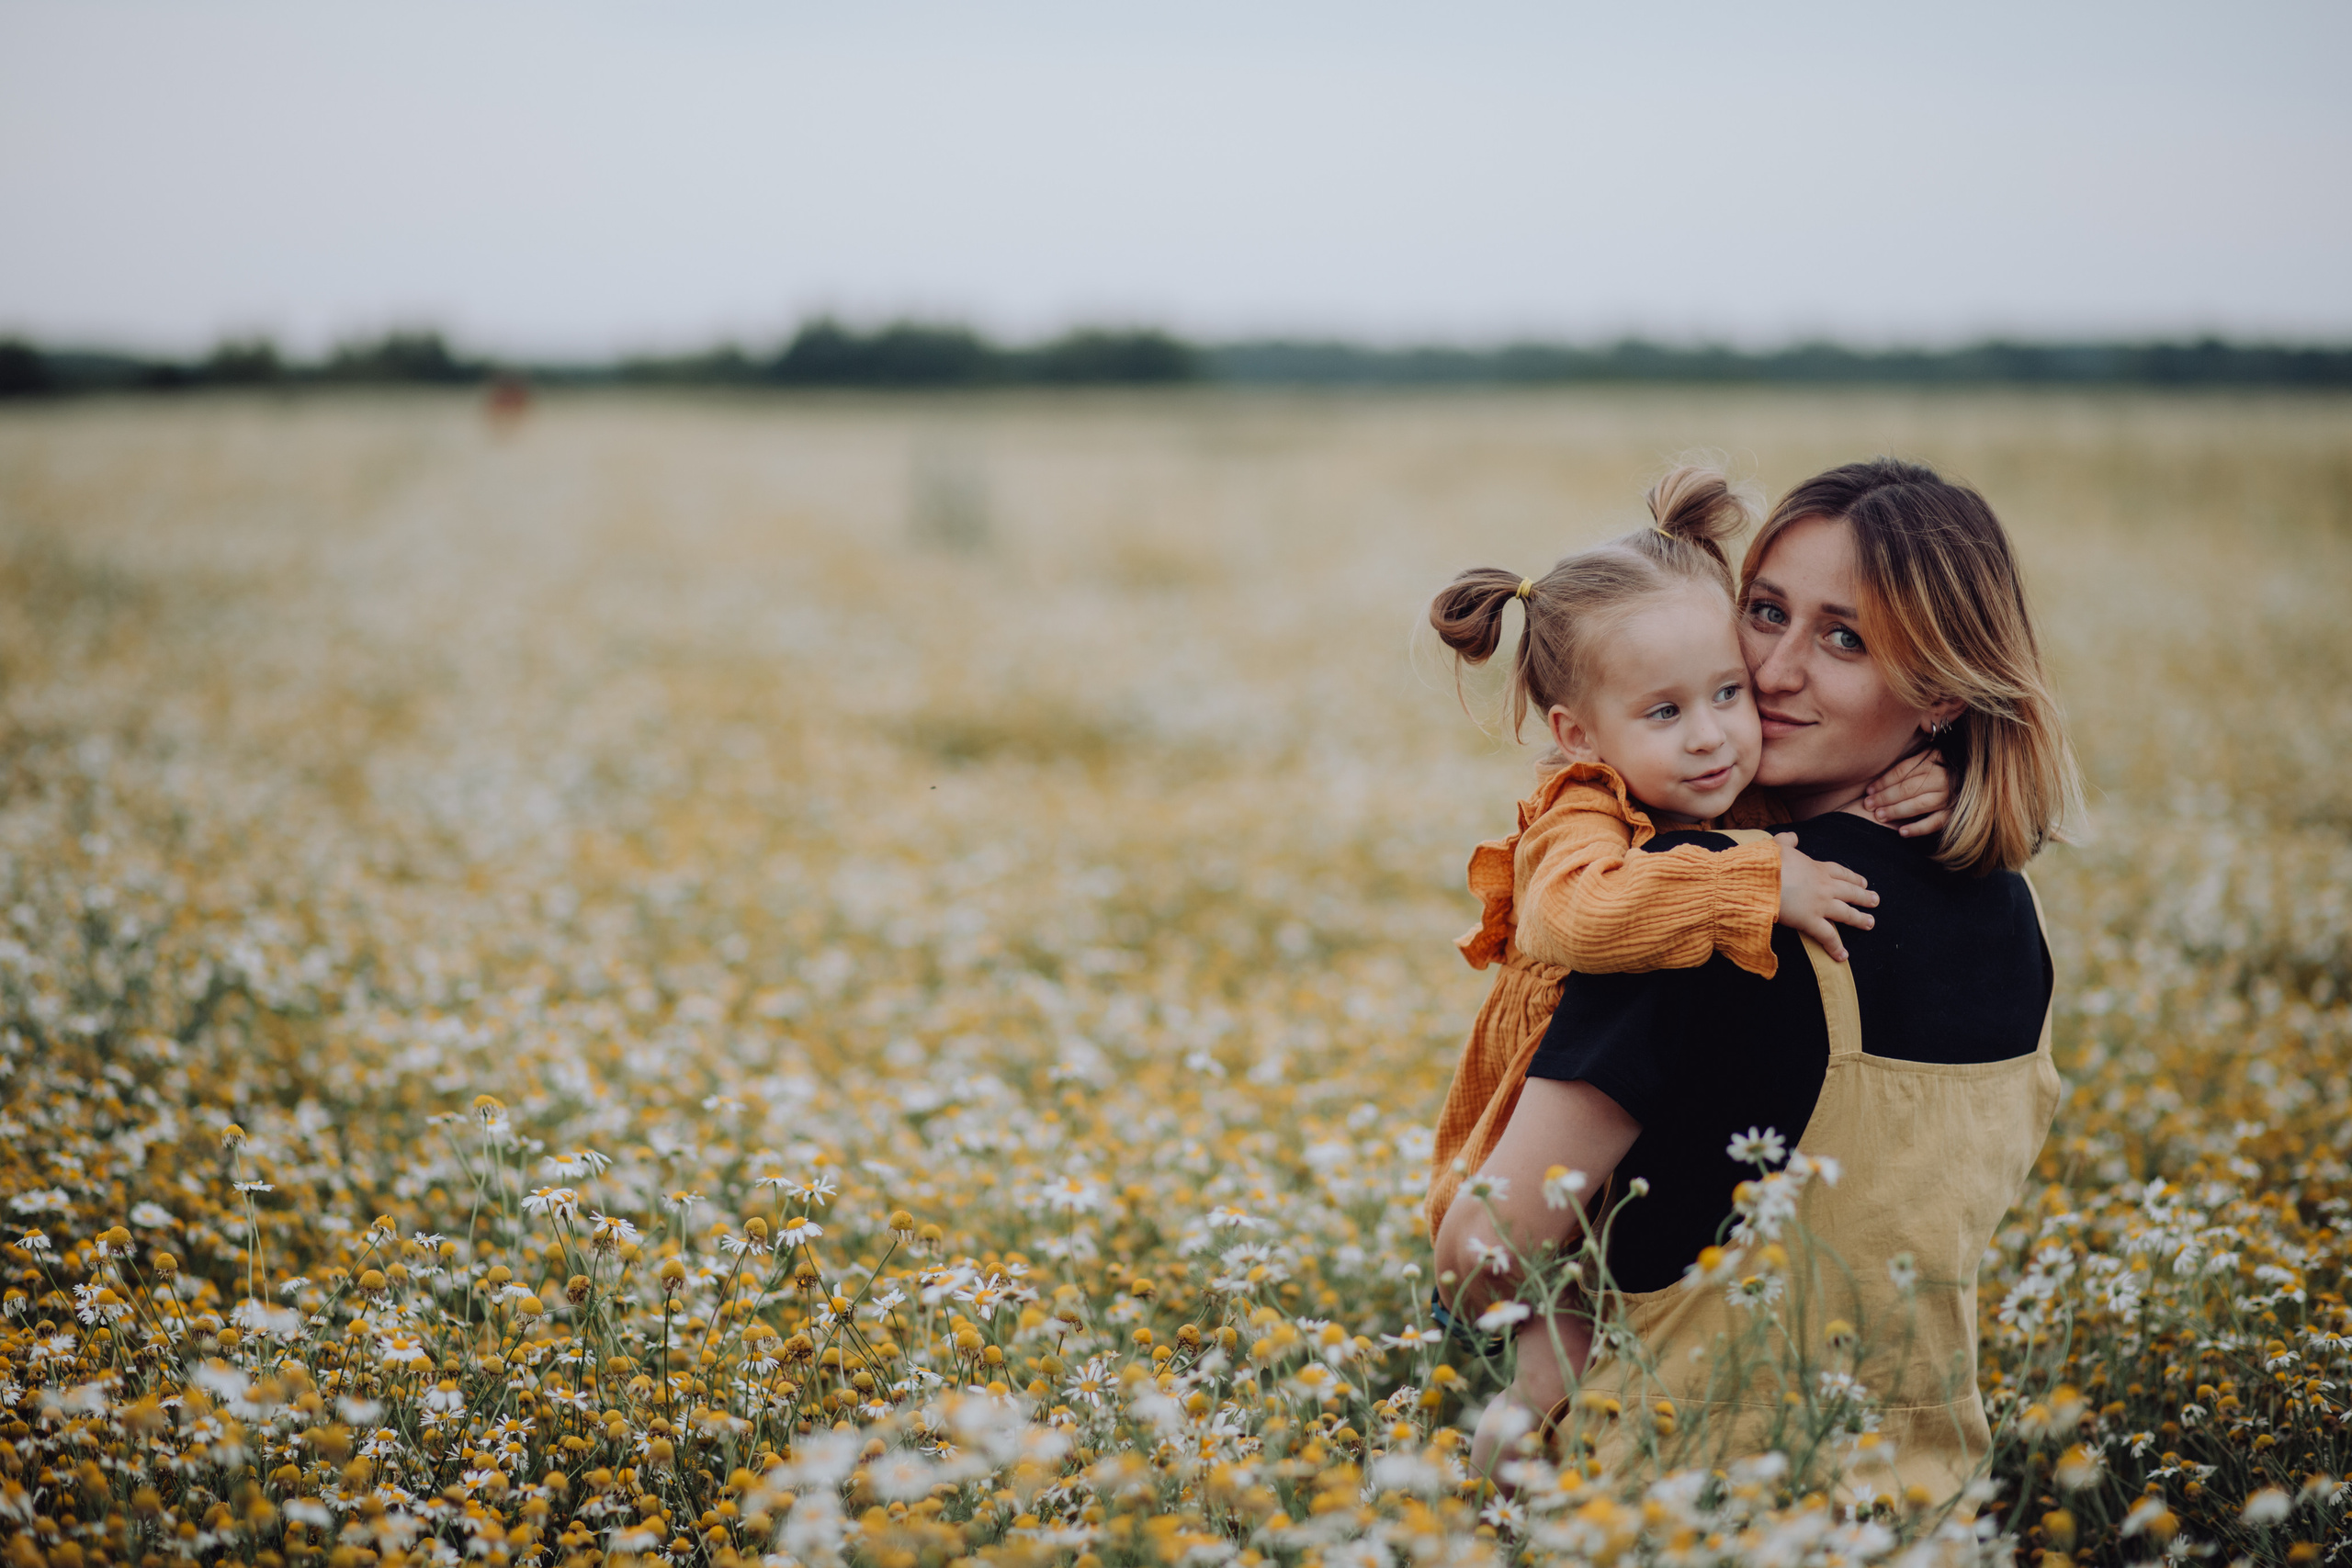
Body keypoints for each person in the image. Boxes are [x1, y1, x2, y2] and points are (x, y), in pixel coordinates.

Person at [1432, 457, 2081, 1504]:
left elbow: (1488, 1249)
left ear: (1943, 695)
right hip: (1915, 1506)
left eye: (1843, 639)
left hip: (1678, 1507)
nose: (1772, 671)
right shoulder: (2015, 912)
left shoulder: (1700, 910)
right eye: (1765, 611)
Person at [1421, 467, 1950, 1245]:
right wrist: (1756, 879)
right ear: (1578, 735)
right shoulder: (1581, 811)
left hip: (1654, 1170)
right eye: (1665, 710)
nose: (1709, 733)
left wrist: (1940, 779)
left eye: (1730, 691)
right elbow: (1583, 913)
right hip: (1541, 1188)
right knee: (1559, 1355)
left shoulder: (1725, 784)